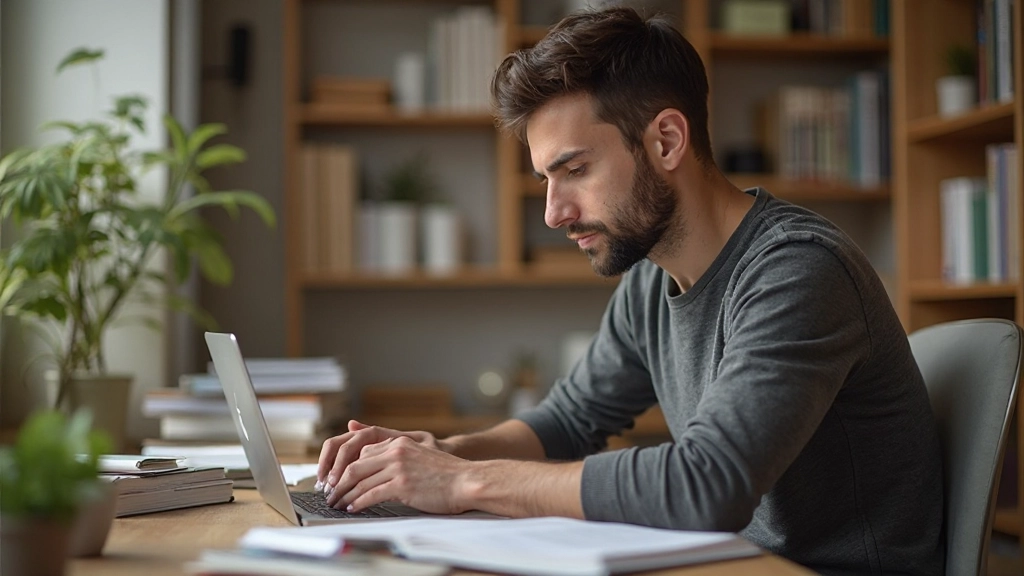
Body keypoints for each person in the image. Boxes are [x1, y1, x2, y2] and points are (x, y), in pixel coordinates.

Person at [315, 7, 943, 575]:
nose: (554, 213)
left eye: (576, 171)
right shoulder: (652, 279)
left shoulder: (798, 271)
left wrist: (464, 483)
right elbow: (568, 420)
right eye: (545, 180)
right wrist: (436, 455)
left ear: (666, 140)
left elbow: (707, 484)